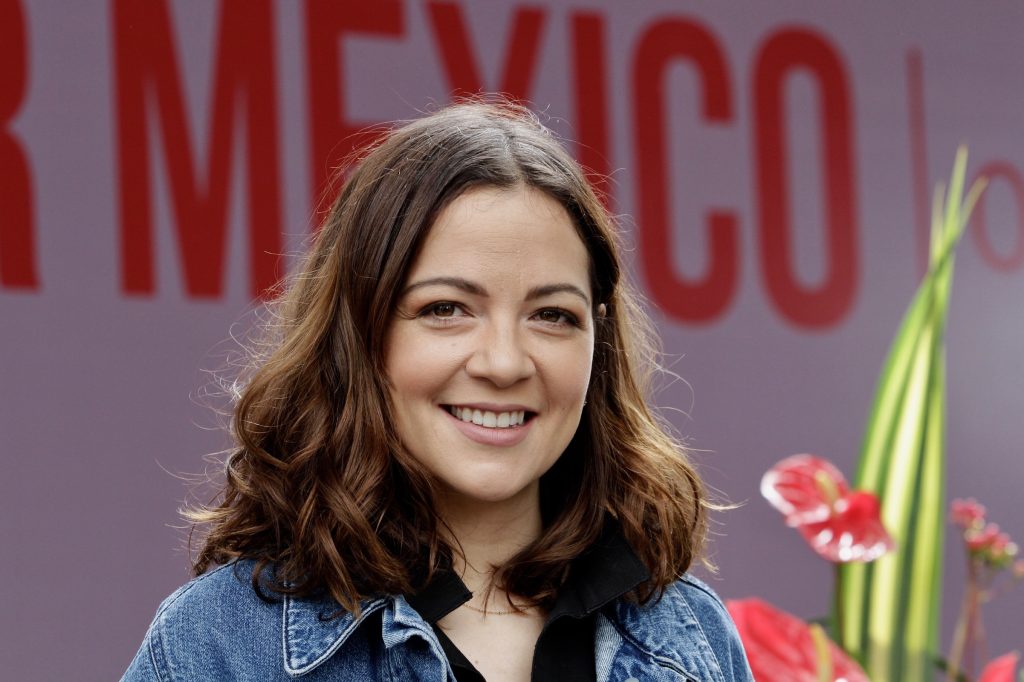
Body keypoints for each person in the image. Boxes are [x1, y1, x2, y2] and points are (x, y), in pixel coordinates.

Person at [122, 101, 753, 682]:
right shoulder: (217, 642)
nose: (504, 363)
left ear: (599, 340)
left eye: (552, 315)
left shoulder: (691, 636)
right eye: (446, 309)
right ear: (359, 334)